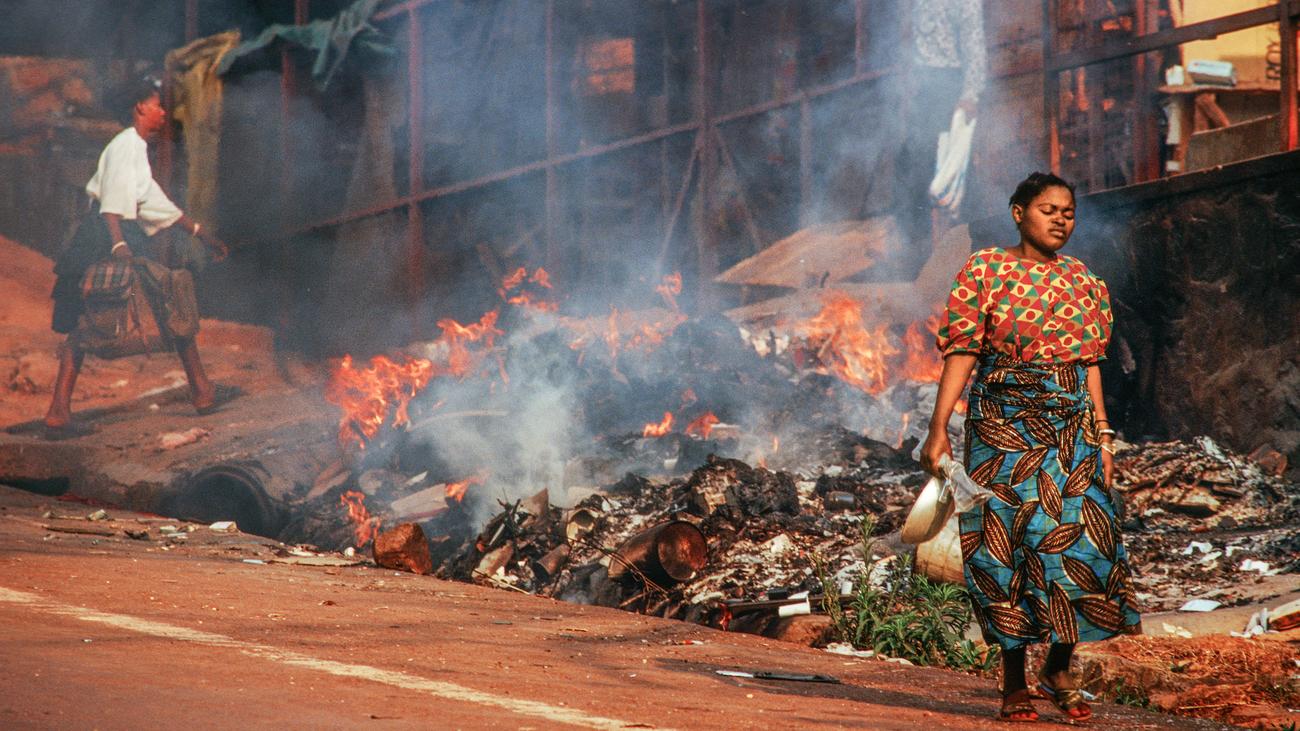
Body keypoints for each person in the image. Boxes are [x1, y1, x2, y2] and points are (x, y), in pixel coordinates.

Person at [920, 172, 1141, 722]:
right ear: (1019, 213)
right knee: (1007, 548)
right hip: (1003, 429)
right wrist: (938, 426)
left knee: (1089, 541)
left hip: (1072, 429)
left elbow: (1089, 364)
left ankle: (1059, 665)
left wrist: (1104, 436)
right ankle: (1014, 680)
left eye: (1068, 211)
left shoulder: (1085, 283)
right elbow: (963, 353)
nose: (1061, 219)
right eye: (1048, 209)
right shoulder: (986, 271)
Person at [45, 77, 229, 435]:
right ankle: (202, 392)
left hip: (117, 236)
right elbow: (111, 206)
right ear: (139, 108)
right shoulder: (124, 145)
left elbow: (154, 202)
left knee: (149, 306)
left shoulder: (137, 150)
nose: (164, 112)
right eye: (158, 105)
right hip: (106, 238)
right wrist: (118, 247)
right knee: (153, 304)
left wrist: (202, 235)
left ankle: (58, 410)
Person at [895, 0, 987, 275]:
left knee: (954, 172)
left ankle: (971, 256)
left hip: (947, 82)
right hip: (922, 86)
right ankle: (918, 262)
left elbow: (974, 41)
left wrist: (970, 94)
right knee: (911, 170)